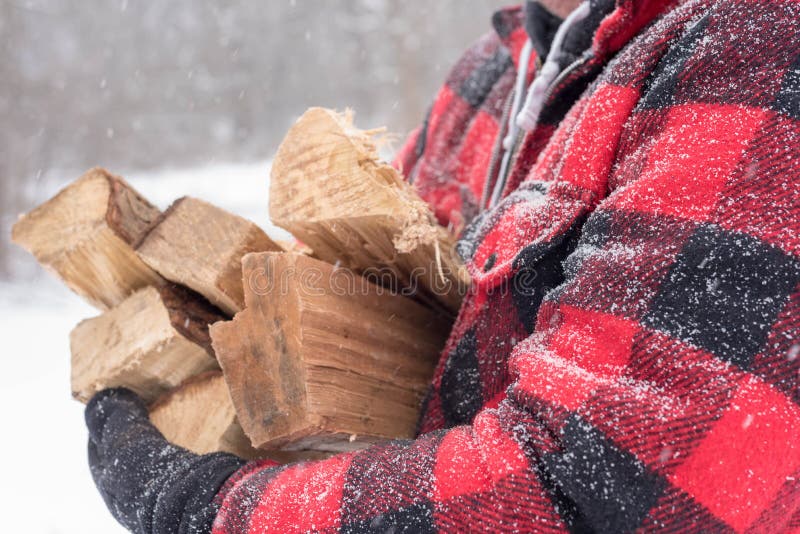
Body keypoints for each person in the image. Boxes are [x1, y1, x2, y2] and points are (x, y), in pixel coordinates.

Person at [85, 0, 800, 532]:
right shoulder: (493, 68)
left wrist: (211, 510)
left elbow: (601, 491)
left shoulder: (760, 42)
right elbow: (365, 302)